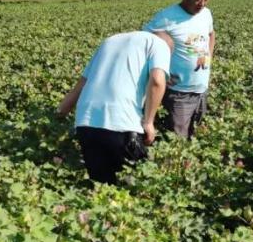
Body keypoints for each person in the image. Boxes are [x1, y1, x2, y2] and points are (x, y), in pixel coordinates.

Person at [57, 31, 171, 184]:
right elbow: (157, 80)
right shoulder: (159, 44)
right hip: (122, 124)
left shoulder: (109, 41)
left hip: (86, 122)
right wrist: (149, 122)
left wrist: (59, 113)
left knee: (101, 189)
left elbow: (82, 84)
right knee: (136, 188)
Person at [142, 0, 215, 138]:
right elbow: (144, 41)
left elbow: (211, 34)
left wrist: (209, 57)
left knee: (196, 138)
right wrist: (160, 72)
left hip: (201, 89)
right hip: (179, 92)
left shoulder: (206, 14)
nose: (202, 3)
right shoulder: (167, 17)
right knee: (178, 142)